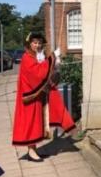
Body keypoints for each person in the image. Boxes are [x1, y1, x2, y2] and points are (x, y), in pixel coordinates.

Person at [12, 33, 75, 162]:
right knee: (31, 122)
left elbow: (46, 73)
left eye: (40, 43)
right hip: (29, 96)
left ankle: (34, 150)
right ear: (29, 44)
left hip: (37, 94)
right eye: (35, 43)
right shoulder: (27, 57)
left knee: (39, 122)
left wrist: (55, 64)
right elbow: (38, 74)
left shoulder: (38, 57)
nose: (37, 45)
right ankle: (31, 151)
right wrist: (52, 58)